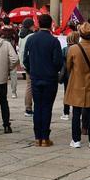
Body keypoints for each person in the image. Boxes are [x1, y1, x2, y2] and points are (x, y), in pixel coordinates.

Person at [21, 14, 64, 147]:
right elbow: (58, 62)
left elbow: (25, 59)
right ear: (50, 25)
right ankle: (45, 137)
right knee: (47, 107)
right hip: (49, 78)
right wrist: (53, 70)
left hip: (36, 77)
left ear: (38, 24)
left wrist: (31, 69)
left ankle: (37, 137)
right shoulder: (54, 41)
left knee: (38, 106)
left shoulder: (31, 39)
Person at [64, 24, 90, 148]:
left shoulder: (73, 49)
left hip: (77, 82)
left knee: (76, 113)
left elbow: (68, 66)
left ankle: (76, 140)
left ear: (80, 34)